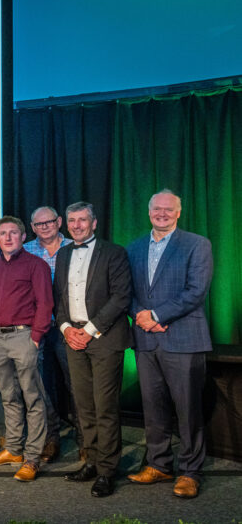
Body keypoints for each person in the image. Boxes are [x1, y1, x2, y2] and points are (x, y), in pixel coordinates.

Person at [126, 190, 213, 499]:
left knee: (188, 409)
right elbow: (128, 290)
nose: (161, 213)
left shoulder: (197, 244)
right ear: (149, 212)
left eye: (168, 209)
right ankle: (159, 464)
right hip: (146, 340)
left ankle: (190, 471)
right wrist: (141, 316)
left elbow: (196, 291)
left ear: (178, 212)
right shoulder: (134, 247)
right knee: (153, 406)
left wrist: (158, 315)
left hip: (183, 338)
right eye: (156, 209)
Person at [53, 202, 131, 497]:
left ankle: (108, 470)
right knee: (83, 406)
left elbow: (121, 298)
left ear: (94, 223)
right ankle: (92, 461)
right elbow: (58, 299)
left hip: (104, 338)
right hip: (73, 338)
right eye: (71, 220)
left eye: (82, 220)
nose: (76, 225)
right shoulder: (63, 254)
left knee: (105, 407)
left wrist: (87, 331)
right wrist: (66, 329)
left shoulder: (114, 253)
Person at [0, 216, 52, 482]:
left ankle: (33, 458)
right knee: (8, 396)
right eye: (3, 234)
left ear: (23, 237)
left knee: (33, 398)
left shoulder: (37, 265)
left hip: (24, 337)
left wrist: (36, 336)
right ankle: (13, 449)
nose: (7, 238)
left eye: (13, 233)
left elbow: (45, 303)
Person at [23, 205, 76, 463]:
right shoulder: (26, 252)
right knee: (42, 387)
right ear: (32, 228)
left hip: (71, 329)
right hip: (40, 329)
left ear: (59, 222)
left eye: (49, 222)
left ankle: (86, 441)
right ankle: (50, 438)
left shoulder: (76, 247)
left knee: (75, 385)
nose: (45, 227)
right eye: (39, 224)